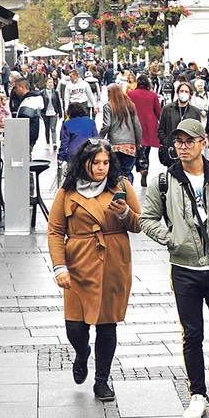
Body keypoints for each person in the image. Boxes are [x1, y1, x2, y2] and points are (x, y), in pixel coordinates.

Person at [139, 119, 209, 418]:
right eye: (179, 142)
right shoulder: (164, 181)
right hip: (184, 268)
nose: (183, 147)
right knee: (193, 333)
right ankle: (197, 394)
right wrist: (169, 238)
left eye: (189, 141)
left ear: (204, 143)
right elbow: (146, 219)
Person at [47, 138, 141, 402]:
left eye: (106, 162)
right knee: (75, 326)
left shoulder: (120, 186)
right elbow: (55, 231)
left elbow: (139, 223)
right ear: (83, 163)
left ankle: (102, 381)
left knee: (107, 324)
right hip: (77, 262)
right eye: (95, 163)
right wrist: (59, 267)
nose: (101, 168)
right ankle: (81, 352)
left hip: (112, 261)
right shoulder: (67, 191)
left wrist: (124, 214)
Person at [100, 84, 143, 183]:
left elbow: (107, 125)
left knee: (116, 172)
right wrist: (137, 143)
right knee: (127, 172)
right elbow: (137, 125)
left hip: (114, 144)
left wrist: (101, 136)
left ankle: (117, 192)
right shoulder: (130, 105)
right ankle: (128, 193)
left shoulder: (108, 106)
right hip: (129, 145)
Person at [128, 75, 163, 187]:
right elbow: (158, 111)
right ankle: (144, 169)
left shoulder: (130, 94)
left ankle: (138, 166)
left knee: (135, 148)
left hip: (134, 124)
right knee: (146, 150)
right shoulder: (153, 95)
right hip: (149, 125)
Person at [158, 83, 202, 167]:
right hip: (172, 150)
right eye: (181, 91)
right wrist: (167, 142)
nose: (184, 93)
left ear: (190, 94)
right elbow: (161, 129)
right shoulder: (167, 109)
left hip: (189, 150)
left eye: (186, 91)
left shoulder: (195, 111)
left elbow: (198, 132)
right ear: (177, 93)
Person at [12, 78, 44, 150]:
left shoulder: (29, 103)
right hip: (28, 138)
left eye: (16, 87)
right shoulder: (29, 100)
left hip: (26, 138)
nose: (14, 90)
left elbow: (22, 123)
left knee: (25, 158)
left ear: (22, 87)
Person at [42, 77, 64, 151]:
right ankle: (48, 143)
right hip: (45, 113)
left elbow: (58, 103)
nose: (51, 84)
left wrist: (60, 113)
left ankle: (54, 143)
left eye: (51, 82)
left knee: (53, 128)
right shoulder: (42, 93)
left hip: (54, 112)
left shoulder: (55, 92)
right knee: (47, 128)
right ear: (46, 83)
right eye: (49, 82)